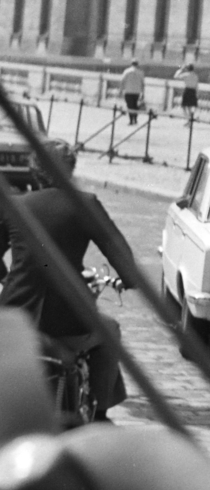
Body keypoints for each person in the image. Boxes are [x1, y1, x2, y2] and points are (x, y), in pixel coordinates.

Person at [0, 144, 140, 420]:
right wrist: (127, 280)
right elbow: (122, 258)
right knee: (110, 331)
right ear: (71, 170)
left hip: (17, 314)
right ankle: (99, 413)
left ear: (34, 171)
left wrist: (8, 279)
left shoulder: (16, 206)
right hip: (69, 321)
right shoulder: (86, 204)